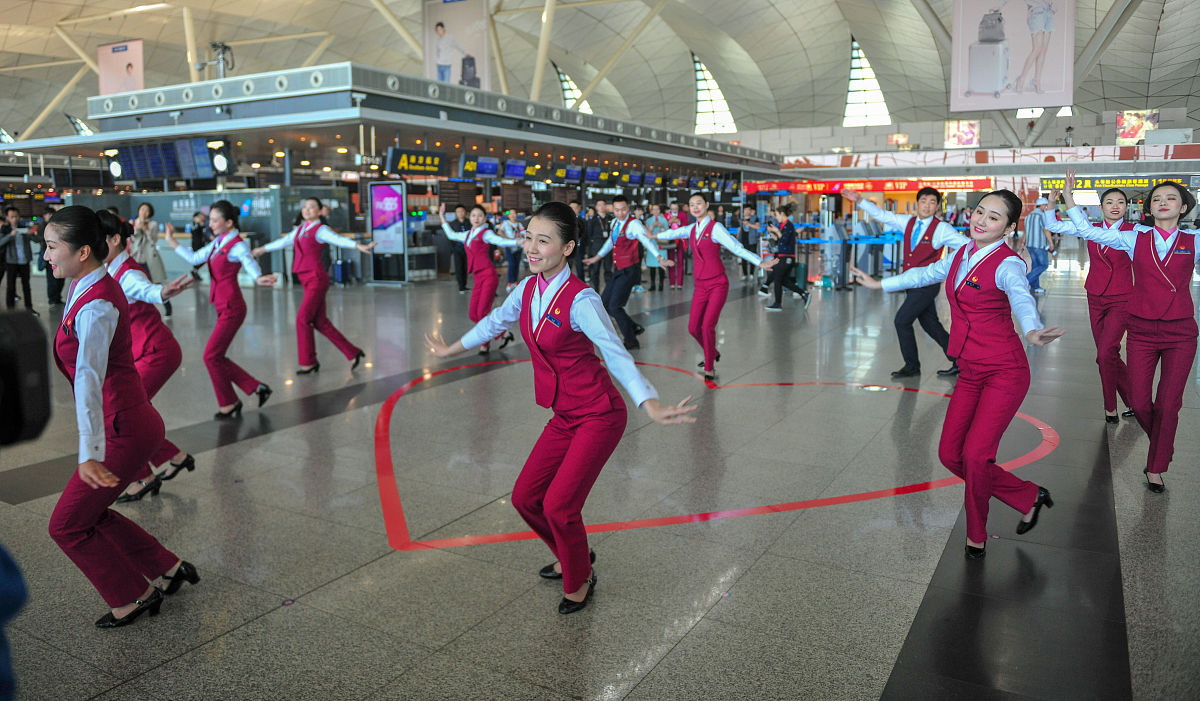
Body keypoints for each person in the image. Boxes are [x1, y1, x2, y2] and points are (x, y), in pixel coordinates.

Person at [424, 201, 697, 614]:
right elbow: (496, 321)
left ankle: (578, 579)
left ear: (568, 248)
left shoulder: (582, 300)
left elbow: (615, 352)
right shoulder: (527, 288)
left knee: (559, 505)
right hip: (565, 414)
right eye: (529, 237)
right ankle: (577, 557)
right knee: (525, 498)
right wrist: (451, 349)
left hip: (599, 414)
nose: (531, 248)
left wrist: (650, 402)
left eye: (543, 240)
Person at [850, 189, 1063, 559]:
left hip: (1004, 371)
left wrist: (1032, 329)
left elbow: (1020, 295)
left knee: (977, 455)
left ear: (1009, 227)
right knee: (951, 455)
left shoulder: (1007, 262)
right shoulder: (961, 253)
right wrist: (878, 284)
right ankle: (1028, 495)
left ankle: (976, 533)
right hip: (970, 369)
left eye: (993, 217)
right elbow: (925, 273)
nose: (981, 220)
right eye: (980, 211)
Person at [41, 205, 199, 629]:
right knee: (91, 513)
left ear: (83, 251)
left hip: (120, 428)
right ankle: (166, 568)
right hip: (128, 420)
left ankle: (133, 595)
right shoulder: (85, 284)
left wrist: (89, 452)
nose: (46, 256)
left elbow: (90, 380)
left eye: (52, 247)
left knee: (67, 525)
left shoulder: (97, 304)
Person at [1058, 171, 1200, 493]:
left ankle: (1156, 465)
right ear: (1148, 208)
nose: (1163, 202)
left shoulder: (1194, 242)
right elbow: (1086, 231)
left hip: (1180, 333)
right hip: (1141, 331)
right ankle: (1163, 446)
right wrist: (1070, 198)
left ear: (1183, 207)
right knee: (1139, 400)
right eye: (1157, 199)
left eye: (1171, 198)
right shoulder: (1134, 237)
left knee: (1169, 404)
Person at [96, 212, 196, 502]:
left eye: (97, 239)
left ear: (115, 240)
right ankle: (173, 458)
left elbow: (144, 288)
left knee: (121, 413)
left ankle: (144, 476)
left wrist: (162, 291)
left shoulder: (127, 272)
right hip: (142, 351)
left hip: (156, 350)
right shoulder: (107, 270)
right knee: (131, 413)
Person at [165, 200, 278, 418]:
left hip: (232, 306)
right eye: (210, 220)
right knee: (215, 356)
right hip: (222, 305)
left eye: (216, 220)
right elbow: (195, 258)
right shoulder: (218, 243)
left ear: (228, 222)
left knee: (211, 356)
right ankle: (251, 390)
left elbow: (248, 260)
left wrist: (258, 277)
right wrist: (171, 240)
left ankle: (232, 401)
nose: (211, 224)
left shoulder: (236, 244)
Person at [844, 187, 970, 377]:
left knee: (901, 321)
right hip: (910, 283)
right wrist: (860, 200)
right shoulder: (908, 222)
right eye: (924, 201)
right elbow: (883, 215)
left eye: (932, 202)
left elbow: (965, 245)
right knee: (931, 325)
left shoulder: (941, 228)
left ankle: (912, 366)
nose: (927, 206)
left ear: (937, 207)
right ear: (917, 203)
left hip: (927, 285)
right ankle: (961, 362)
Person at [657, 192, 778, 380]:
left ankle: (709, 367)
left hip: (717, 284)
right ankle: (712, 352)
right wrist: (652, 234)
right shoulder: (691, 228)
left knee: (707, 326)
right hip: (700, 285)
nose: (696, 207)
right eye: (692, 204)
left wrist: (759, 262)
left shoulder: (715, 228)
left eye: (699, 203)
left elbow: (736, 247)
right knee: (692, 328)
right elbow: (673, 232)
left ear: (707, 205)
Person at [1041, 186, 1136, 422]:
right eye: (1110, 202)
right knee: (1107, 354)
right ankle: (1135, 401)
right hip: (1095, 296)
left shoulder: (1135, 231)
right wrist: (1053, 202)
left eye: (1120, 202)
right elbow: (1053, 226)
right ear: (1101, 207)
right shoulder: (1089, 228)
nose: (1115, 206)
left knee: (1105, 353)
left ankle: (1110, 407)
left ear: (1126, 207)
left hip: (1122, 298)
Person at [251, 197, 377, 374]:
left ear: (319, 211)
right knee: (320, 321)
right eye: (305, 208)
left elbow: (337, 239)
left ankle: (308, 362)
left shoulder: (321, 229)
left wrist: (357, 246)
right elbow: (283, 242)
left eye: (311, 208)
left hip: (317, 278)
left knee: (302, 320)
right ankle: (353, 352)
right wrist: (261, 250)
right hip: (306, 278)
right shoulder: (300, 230)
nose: (307, 210)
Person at [582, 195, 672, 349]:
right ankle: (634, 327)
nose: (620, 213)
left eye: (623, 209)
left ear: (628, 208)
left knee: (615, 306)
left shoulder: (634, 224)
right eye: (617, 210)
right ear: (613, 209)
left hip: (630, 270)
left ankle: (631, 340)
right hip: (619, 269)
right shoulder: (615, 223)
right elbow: (610, 242)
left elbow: (646, 241)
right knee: (605, 303)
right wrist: (596, 258)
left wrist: (658, 257)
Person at [438, 203, 523, 353]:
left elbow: (500, 241)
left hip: (489, 276)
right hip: (477, 278)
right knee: (473, 314)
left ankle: (485, 343)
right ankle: (503, 334)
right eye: (473, 215)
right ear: (470, 218)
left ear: (484, 219)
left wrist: (517, 242)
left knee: (482, 312)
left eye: (480, 216)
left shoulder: (486, 233)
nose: (476, 218)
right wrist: (442, 217)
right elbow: (451, 235)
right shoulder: (469, 234)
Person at [762, 203, 811, 311]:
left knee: (778, 278)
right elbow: (779, 241)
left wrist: (777, 232)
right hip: (782, 256)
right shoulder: (782, 226)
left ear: (782, 214)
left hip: (787, 257)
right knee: (782, 280)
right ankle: (803, 293)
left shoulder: (789, 226)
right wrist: (773, 234)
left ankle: (778, 303)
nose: (776, 217)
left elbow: (784, 240)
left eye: (777, 215)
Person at [129, 203, 171, 317]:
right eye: (142, 209)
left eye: (147, 211)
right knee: (138, 283)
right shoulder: (132, 223)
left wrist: (146, 230)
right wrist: (137, 228)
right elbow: (130, 239)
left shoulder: (153, 224)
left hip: (149, 258)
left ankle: (167, 305)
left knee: (156, 283)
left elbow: (153, 241)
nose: (144, 213)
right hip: (135, 257)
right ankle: (143, 310)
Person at [0, 206, 38, 316]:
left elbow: (36, 240)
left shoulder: (24, 227)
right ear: (7, 218)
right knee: (11, 286)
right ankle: (10, 311)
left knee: (26, 286)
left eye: (16, 216)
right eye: (12, 217)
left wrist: (31, 233)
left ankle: (29, 309)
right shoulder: (5, 229)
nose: (15, 219)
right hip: (11, 261)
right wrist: (10, 236)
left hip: (24, 261)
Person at [1023, 196, 1055, 294]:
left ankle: (1035, 287)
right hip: (1039, 245)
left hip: (1030, 245)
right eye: (1045, 205)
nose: (1046, 207)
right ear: (1041, 205)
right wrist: (1051, 243)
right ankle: (1024, 282)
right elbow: (1046, 230)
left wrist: (1023, 242)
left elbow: (1025, 231)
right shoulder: (1041, 215)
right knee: (1044, 265)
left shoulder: (1028, 216)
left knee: (1036, 266)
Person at [584, 199, 612, 292]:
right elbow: (589, 233)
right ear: (596, 207)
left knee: (608, 269)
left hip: (608, 248)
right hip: (596, 247)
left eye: (603, 204)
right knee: (595, 270)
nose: (601, 206)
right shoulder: (593, 220)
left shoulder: (610, 218)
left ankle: (608, 290)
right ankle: (596, 290)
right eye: (599, 205)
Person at [444, 204, 470, 293]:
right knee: (459, 267)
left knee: (466, 267)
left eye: (462, 211)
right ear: (456, 213)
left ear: (465, 212)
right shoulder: (453, 224)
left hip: (468, 249)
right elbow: (450, 238)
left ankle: (465, 285)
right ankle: (461, 287)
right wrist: (452, 249)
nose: (460, 213)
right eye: (458, 212)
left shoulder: (469, 222)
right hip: (457, 250)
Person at [498, 209, 526, 291]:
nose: (513, 215)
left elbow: (522, 232)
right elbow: (500, 232)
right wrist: (508, 239)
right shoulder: (505, 223)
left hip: (518, 246)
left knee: (516, 264)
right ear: (508, 215)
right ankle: (510, 282)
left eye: (514, 213)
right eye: (511, 214)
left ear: (516, 215)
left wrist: (521, 235)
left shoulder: (519, 224)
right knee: (511, 264)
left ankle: (515, 281)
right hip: (509, 246)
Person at [644, 204, 669, 291]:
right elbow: (646, 233)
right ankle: (653, 284)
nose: (655, 211)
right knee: (652, 266)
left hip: (661, 244)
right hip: (652, 245)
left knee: (661, 265)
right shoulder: (648, 221)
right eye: (653, 210)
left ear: (659, 211)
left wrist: (661, 226)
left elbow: (666, 233)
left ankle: (661, 284)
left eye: (657, 209)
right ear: (651, 211)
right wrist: (652, 226)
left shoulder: (664, 220)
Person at [664, 202, 689, 289]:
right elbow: (664, 227)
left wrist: (679, 222)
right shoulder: (666, 216)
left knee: (680, 261)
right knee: (671, 261)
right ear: (670, 209)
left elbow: (685, 226)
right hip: (671, 240)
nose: (674, 210)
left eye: (676, 208)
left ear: (678, 208)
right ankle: (672, 283)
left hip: (680, 240)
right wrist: (669, 223)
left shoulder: (683, 215)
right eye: (673, 208)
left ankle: (679, 283)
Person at [737, 205, 761, 279]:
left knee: (752, 257)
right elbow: (740, 229)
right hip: (743, 241)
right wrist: (737, 237)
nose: (747, 211)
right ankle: (744, 274)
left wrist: (749, 224)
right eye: (745, 210)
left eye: (748, 210)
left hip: (752, 240)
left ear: (750, 211)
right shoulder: (741, 219)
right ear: (743, 211)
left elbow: (758, 227)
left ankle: (751, 273)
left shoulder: (755, 218)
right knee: (743, 257)